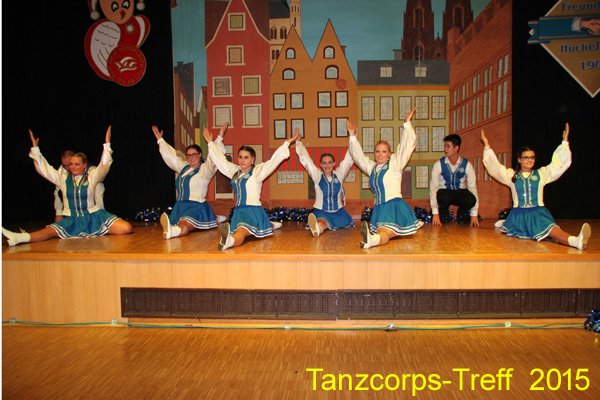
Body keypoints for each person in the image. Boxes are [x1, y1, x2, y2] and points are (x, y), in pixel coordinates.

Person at [2, 127, 132, 246]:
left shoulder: (92, 177)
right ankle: (18, 237)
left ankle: (94, 230)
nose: (72, 167)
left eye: (77, 164)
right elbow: (44, 170)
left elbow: (104, 166)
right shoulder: (63, 179)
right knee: (49, 232)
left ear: (84, 165)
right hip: (72, 219)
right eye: (71, 164)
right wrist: (36, 149)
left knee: (126, 228)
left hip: (94, 217)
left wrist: (107, 145)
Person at [480, 123, 591, 250]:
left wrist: (565, 142)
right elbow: (495, 168)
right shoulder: (511, 175)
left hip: (538, 212)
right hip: (520, 215)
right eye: (526, 157)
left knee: (552, 230)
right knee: (551, 232)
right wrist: (487, 146)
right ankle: (575, 241)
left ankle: (576, 241)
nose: (530, 160)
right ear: (519, 160)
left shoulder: (541, 174)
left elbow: (558, 165)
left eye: (532, 157)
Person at [203, 128, 299, 250]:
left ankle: (228, 242)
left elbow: (273, 161)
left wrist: (287, 143)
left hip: (253, 211)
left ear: (252, 159)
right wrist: (210, 142)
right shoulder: (235, 172)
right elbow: (221, 161)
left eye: (246, 157)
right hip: (238, 212)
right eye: (240, 157)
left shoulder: (257, 171)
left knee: (242, 231)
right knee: (243, 230)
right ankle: (268, 224)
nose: (242, 160)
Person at [347, 108, 423, 249]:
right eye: (377, 151)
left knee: (384, 232)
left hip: (394, 207)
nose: (380, 154)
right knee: (384, 233)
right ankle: (372, 240)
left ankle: (372, 240)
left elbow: (406, 148)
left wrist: (407, 124)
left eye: (384, 151)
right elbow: (358, 157)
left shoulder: (395, 164)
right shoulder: (372, 168)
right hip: (379, 209)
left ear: (389, 154)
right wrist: (352, 137)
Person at [152, 123, 228, 240]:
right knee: (181, 222)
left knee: (184, 225)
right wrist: (160, 140)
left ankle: (174, 232)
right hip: (180, 207)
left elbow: (214, 158)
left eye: (194, 155)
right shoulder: (183, 168)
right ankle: (213, 218)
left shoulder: (205, 170)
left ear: (200, 155)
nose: (191, 158)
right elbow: (171, 157)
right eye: (188, 155)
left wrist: (219, 138)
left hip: (196, 207)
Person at [295, 129, 354, 237]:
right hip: (321, 211)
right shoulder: (317, 176)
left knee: (330, 225)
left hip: (338, 212)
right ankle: (318, 228)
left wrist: (353, 138)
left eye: (330, 162)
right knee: (322, 222)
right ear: (321, 165)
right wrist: (298, 143)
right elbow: (307, 161)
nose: (327, 165)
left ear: (334, 164)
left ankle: (318, 227)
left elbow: (348, 159)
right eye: (324, 163)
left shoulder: (339, 174)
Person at [430, 133, 479, 227]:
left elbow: (473, 188)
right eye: (445, 146)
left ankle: (461, 213)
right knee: (441, 196)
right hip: (445, 193)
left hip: (460, 192)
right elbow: (433, 188)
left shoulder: (467, 165)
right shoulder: (438, 164)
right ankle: (443, 212)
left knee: (471, 199)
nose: (445, 149)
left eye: (448, 146)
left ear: (456, 148)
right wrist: (435, 214)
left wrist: (474, 215)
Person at [52, 150, 106, 222]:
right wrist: (58, 213)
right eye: (64, 165)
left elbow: (98, 194)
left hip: (90, 209)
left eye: (69, 164)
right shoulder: (62, 170)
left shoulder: (91, 170)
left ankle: (100, 217)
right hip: (73, 211)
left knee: (97, 186)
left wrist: (100, 214)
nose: (67, 168)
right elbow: (57, 190)